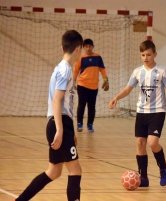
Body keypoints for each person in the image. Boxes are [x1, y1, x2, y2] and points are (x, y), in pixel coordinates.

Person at [12, 30, 83, 201]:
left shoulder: (60, 68)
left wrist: (69, 130)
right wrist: (61, 129)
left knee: (54, 172)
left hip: (60, 123)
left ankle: (19, 200)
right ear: (79, 49)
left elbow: (63, 103)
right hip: (59, 124)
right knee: (75, 170)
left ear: (62, 47)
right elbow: (57, 101)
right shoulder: (65, 70)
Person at [108, 40, 166, 187]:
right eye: (143, 55)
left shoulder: (162, 71)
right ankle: (143, 178)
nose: (146, 58)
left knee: (152, 142)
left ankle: (163, 167)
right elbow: (128, 89)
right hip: (141, 112)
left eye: (149, 55)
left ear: (155, 54)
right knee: (140, 143)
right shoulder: (137, 72)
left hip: (158, 111)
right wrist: (116, 98)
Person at [73, 38, 109, 133]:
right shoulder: (81, 57)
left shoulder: (98, 57)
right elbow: (76, 70)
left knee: (92, 106)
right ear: (84, 48)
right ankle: (79, 123)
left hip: (94, 86)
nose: (88, 48)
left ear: (93, 47)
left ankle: (90, 125)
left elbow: (102, 70)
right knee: (81, 105)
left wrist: (106, 81)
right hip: (82, 85)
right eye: (86, 46)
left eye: (90, 46)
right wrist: (73, 82)